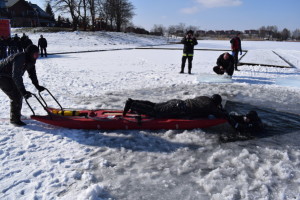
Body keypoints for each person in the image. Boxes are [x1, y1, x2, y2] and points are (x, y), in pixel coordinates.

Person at [0, 45, 45, 126]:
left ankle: (17, 114)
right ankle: (14, 120)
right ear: (30, 53)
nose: (37, 56)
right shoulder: (20, 58)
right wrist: (23, 90)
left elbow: (32, 73)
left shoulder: (31, 60)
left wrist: (37, 85)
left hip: (10, 76)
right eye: (35, 54)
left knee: (18, 95)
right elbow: (16, 75)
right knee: (15, 96)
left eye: (38, 53)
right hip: (2, 76)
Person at [123, 94, 226, 119]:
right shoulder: (210, 105)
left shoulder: (205, 98)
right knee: (156, 112)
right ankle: (133, 104)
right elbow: (219, 114)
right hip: (178, 108)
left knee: (155, 105)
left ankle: (133, 101)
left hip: (177, 102)